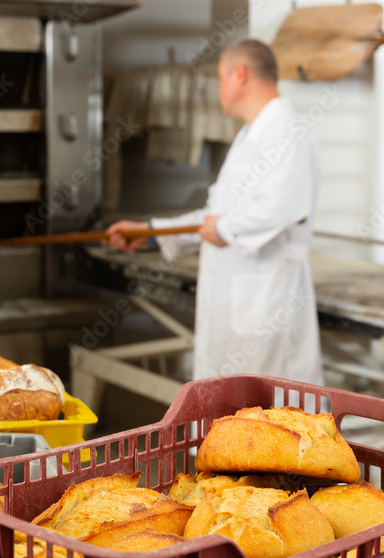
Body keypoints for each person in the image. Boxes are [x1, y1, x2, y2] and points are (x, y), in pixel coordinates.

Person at [104, 38, 323, 384]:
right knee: (235, 417)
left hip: (267, 302)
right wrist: (148, 231)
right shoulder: (252, 135)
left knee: (274, 418)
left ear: (239, 74)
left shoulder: (286, 130)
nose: (218, 89)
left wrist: (221, 230)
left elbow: (281, 209)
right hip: (240, 299)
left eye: (220, 78)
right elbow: (216, 215)